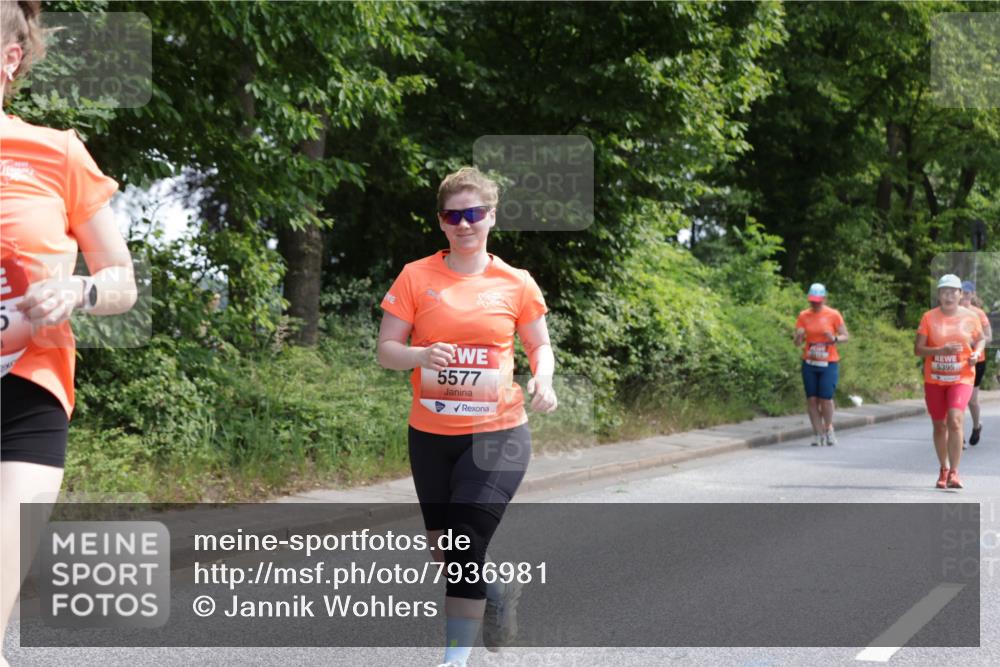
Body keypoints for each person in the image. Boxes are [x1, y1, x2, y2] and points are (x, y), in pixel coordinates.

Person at [1, 3, 137, 663]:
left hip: (26, 396)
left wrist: (77, 289)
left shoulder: (56, 152)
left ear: (9, 59)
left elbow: (122, 281)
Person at [377, 167, 557, 667]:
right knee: (447, 553)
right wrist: (419, 355)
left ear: (491, 216)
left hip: (498, 435)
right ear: (441, 221)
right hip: (430, 437)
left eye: (474, 213)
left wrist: (543, 379)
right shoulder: (416, 276)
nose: (464, 224)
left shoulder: (515, 282)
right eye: (453, 215)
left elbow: (539, 346)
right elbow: (387, 350)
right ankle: (498, 590)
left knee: (463, 544)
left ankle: (454, 660)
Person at [914, 274, 985, 489]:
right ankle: (943, 468)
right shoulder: (929, 317)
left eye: (953, 291)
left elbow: (980, 339)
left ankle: (954, 472)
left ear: (960, 294)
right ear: (938, 295)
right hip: (935, 378)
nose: (949, 296)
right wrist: (940, 350)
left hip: (962, 376)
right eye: (944, 292)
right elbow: (918, 349)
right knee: (939, 425)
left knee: (954, 420)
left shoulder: (970, 316)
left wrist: (976, 353)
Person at [793, 283, 849, 446]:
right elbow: (797, 343)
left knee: (825, 399)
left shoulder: (833, 314)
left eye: (818, 301)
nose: (815, 304)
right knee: (812, 399)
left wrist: (834, 338)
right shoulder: (804, 315)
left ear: (824, 299)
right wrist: (799, 336)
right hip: (810, 362)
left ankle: (828, 427)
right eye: (812, 301)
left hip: (829, 363)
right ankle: (818, 433)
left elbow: (846, 336)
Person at [960, 281, 991, 446]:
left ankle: (976, 426)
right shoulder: (952, 312)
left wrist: (973, 342)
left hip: (977, 361)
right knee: (959, 400)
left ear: (972, 295)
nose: (965, 296)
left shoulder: (979, 313)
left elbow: (989, 337)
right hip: (958, 361)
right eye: (962, 292)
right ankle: (960, 437)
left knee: (971, 401)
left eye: (968, 293)